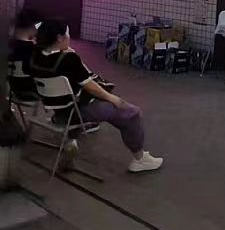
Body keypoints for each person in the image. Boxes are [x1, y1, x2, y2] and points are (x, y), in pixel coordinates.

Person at [27, 19, 163, 173]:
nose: (69, 38)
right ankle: (140, 159)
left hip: (57, 108)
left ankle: (71, 138)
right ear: (59, 38)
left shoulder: (34, 55)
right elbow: (91, 87)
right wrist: (115, 100)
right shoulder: (69, 59)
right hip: (78, 110)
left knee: (88, 106)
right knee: (131, 114)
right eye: (67, 34)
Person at [8, 9, 40, 102]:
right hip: (33, 91)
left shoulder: (6, 44)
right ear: (31, 27)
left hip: (13, 90)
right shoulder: (31, 49)